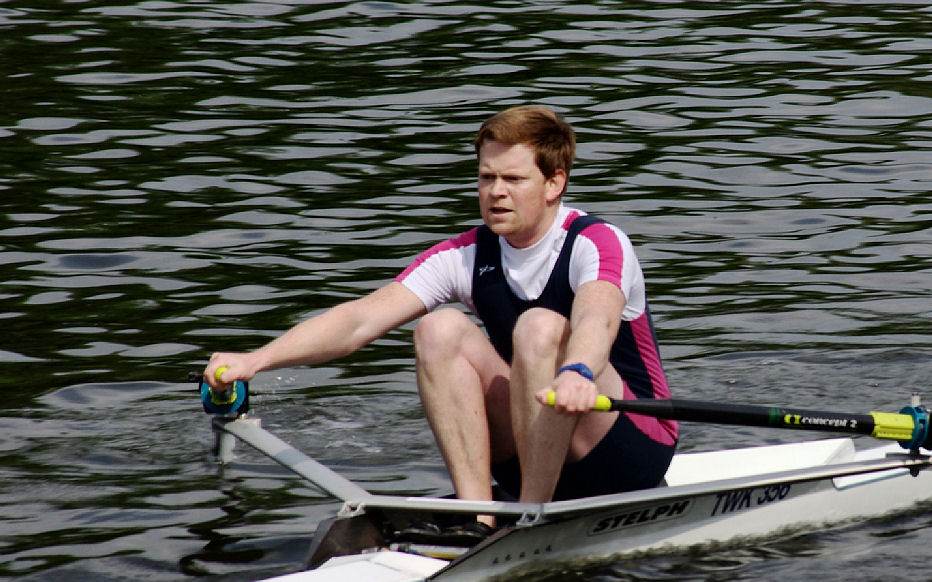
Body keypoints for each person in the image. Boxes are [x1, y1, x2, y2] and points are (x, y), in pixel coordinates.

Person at [203, 105, 677, 530]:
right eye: (487, 178)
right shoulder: (465, 254)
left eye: (513, 180)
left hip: (626, 448)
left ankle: (532, 516)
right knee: (438, 328)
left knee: (539, 325)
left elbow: (598, 319)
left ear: (555, 183)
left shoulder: (596, 242)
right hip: (535, 444)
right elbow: (358, 321)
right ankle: (479, 519)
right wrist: (257, 360)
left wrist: (577, 371)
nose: (496, 193)